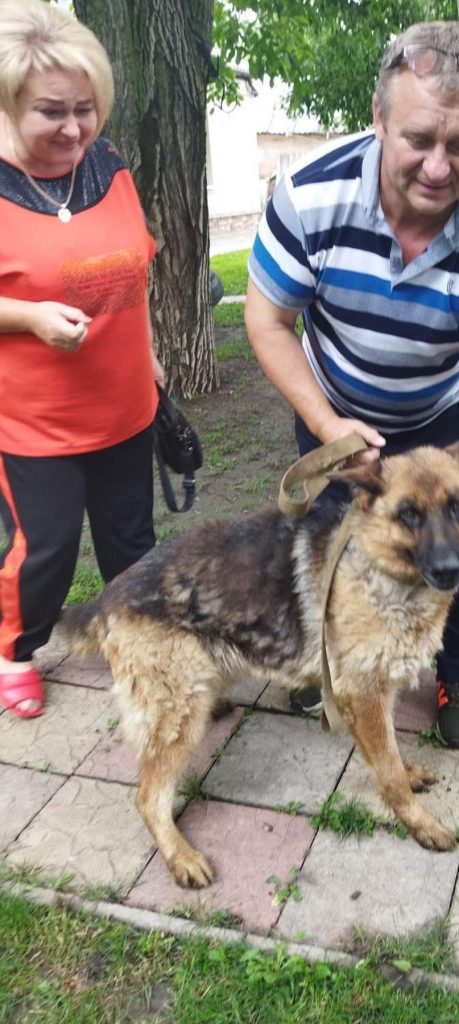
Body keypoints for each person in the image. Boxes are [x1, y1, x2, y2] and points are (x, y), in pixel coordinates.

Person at [245, 20, 459, 747]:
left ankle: (456, 672)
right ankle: (324, 662)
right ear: (378, 119)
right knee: (324, 545)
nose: (438, 166)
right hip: (331, 407)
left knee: (454, 547)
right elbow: (267, 321)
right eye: (418, 139)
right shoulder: (308, 197)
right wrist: (323, 426)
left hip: (440, 417)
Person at [0, 0, 163, 718]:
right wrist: (29, 317)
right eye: (51, 112)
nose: (74, 128)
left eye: (86, 109)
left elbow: (138, 272)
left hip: (126, 407)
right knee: (45, 551)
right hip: (34, 425)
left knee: (133, 547)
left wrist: (151, 357)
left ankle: (142, 651)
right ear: (8, 102)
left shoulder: (109, 166)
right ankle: (14, 649)